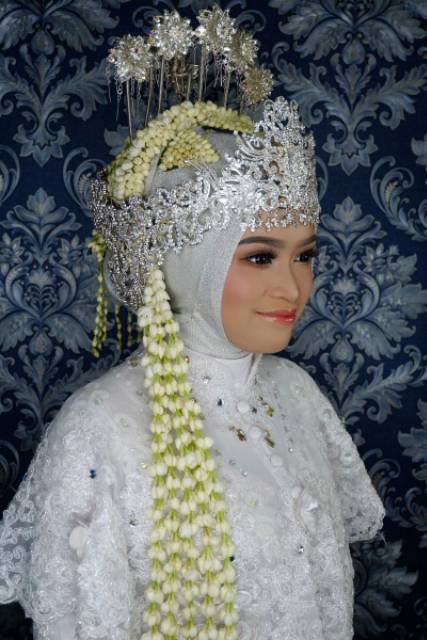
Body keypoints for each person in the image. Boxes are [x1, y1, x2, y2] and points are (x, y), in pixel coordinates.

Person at [0, 8, 384, 640]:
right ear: (185, 265)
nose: (292, 288)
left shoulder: (297, 394)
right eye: (259, 257)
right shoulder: (102, 427)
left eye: (305, 256)